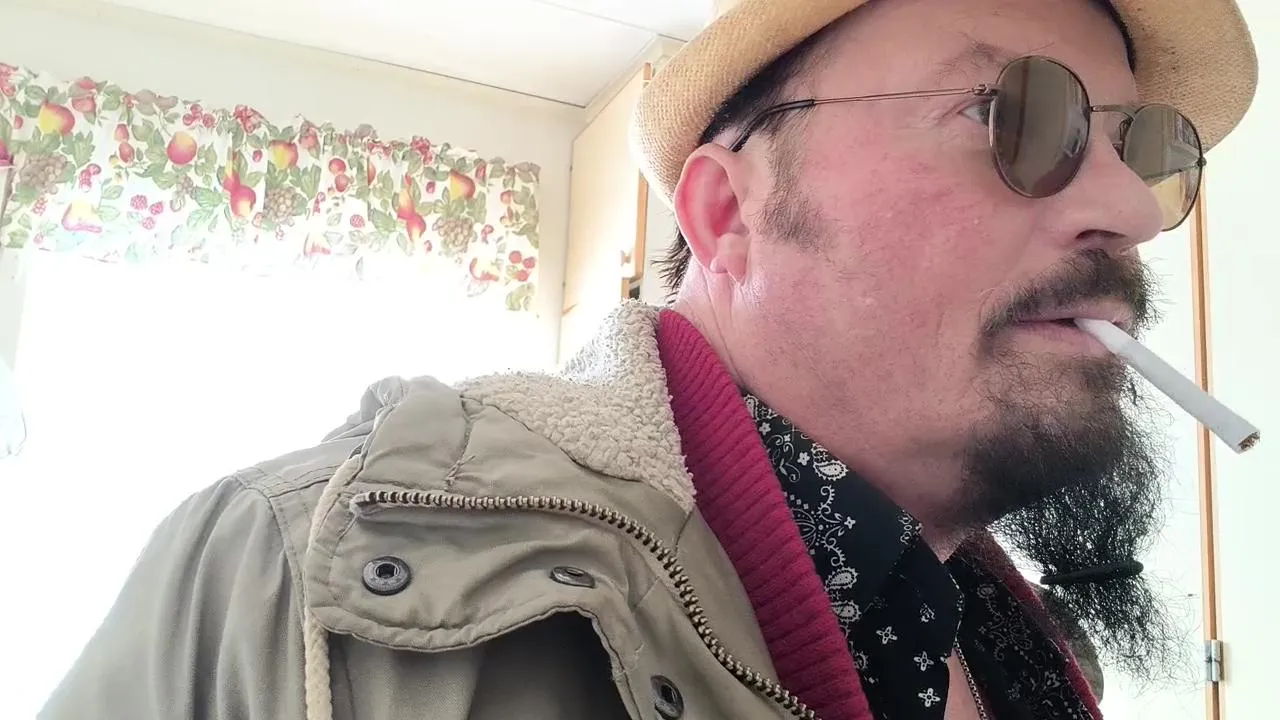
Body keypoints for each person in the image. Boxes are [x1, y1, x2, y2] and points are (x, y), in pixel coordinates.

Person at [41, 0, 1257, 718]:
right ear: (726, 215)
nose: (1132, 212)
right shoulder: (305, 577)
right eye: (1013, 116)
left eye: (1142, 146)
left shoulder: (1018, 647)